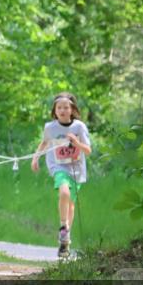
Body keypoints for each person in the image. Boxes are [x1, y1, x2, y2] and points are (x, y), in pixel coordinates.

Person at [31, 92, 92, 258]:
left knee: (71, 204)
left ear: (72, 109)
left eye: (66, 107)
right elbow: (44, 143)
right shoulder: (50, 128)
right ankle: (63, 226)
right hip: (58, 166)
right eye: (59, 107)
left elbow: (88, 150)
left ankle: (65, 239)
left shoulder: (79, 127)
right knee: (64, 192)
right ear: (55, 111)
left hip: (76, 169)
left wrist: (77, 142)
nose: (63, 110)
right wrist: (36, 157)